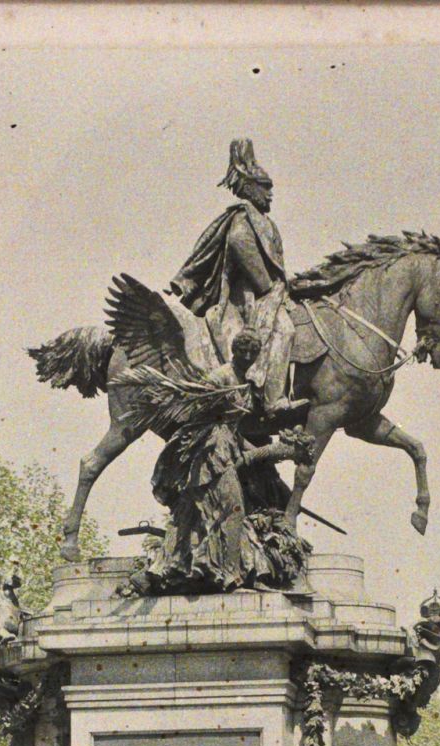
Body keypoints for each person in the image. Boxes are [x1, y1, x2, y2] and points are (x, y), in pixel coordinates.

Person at [119, 329, 310, 596]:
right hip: (209, 453)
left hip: (225, 446)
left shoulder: (244, 383)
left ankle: (166, 570)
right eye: (242, 350)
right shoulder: (220, 377)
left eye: (252, 352)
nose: (246, 356)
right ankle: (231, 579)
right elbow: (194, 415)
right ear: (234, 350)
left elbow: (235, 430)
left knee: (191, 516)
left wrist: (269, 453)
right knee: (233, 509)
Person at [169, 138, 295, 393]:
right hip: (245, 298)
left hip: (268, 294)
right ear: (250, 189)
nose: (271, 193)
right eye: (266, 187)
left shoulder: (264, 221)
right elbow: (240, 244)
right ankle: (271, 397)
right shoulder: (243, 217)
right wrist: (267, 284)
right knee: (285, 329)